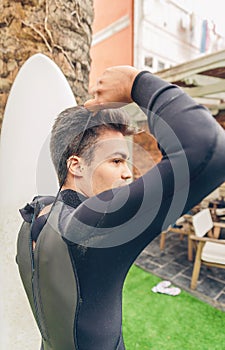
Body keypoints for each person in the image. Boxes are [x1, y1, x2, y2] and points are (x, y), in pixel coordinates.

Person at [16, 66, 225, 350]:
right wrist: (134, 83)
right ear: (76, 165)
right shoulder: (89, 228)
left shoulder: (34, 217)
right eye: (116, 160)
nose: (128, 173)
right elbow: (209, 149)